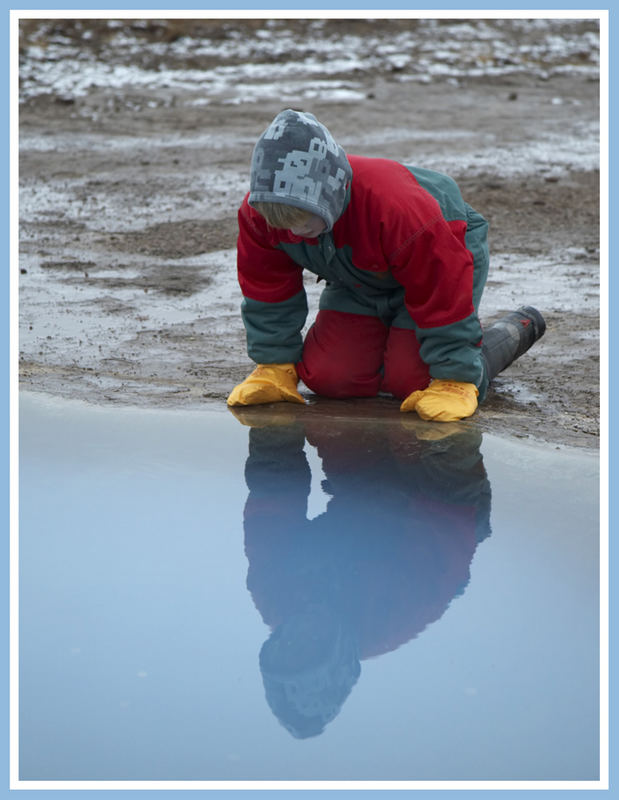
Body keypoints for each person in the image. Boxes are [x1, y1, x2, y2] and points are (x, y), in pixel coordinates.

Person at [227, 109, 545, 422]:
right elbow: (267, 289)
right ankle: (397, 348)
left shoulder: (396, 210)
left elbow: (440, 293)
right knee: (329, 377)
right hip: (360, 274)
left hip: (443, 248)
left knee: (412, 381)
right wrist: (274, 365)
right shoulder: (263, 213)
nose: (295, 233)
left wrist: (455, 376)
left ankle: (508, 336)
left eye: (304, 221)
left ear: (331, 193)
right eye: (284, 225)